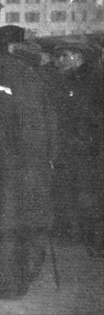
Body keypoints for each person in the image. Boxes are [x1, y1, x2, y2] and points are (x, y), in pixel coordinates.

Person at [0, 26, 57, 299]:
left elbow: (0, 117)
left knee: (5, 221)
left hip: (10, 159)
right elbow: (48, 114)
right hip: (36, 158)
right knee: (28, 218)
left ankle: (7, 284)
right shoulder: (28, 70)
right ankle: (27, 274)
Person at [51, 38, 103, 257]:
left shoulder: (93, 80)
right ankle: (79, 234)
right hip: (71, 146)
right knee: (72, 191)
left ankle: (96, 240)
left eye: (65, 56)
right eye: (59, 56)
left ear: (78, 57)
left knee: (89, 194)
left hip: (89, 148)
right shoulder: (65, 79)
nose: (60, 60)